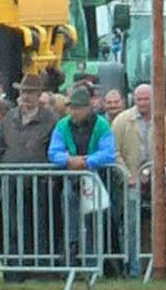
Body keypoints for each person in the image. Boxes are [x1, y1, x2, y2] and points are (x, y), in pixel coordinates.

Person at [112, 83, 166, 276]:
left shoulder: (165, 122)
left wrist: (149, 173)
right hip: (129, 182)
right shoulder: (122, 121)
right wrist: (126, 175)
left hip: (158, 181)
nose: (142, 103)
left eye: (146, 99)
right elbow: (114, 152)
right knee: (131, 225)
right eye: (139, 99)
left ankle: (162, 266)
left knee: (161, 224)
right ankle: (133, 267)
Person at [0, 73, 59, 279]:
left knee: (39, 226)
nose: (26, 96)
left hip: (40, 182)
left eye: (31, 93)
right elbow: (0, 147)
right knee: (13, 225)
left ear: (39, 94)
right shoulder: (9, 118)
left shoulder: (51, 119)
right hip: (11, 180)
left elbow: (55, 149)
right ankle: (14, 270)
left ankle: (40, 270)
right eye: (24, 92)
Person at [49, 87, 117, 268]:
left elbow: (109, 153)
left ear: (88, 108)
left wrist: (86, 161)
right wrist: (69, 160)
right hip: (72, 180)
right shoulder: (62, 125)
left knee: (95, 220)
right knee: (70, 218)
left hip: (97, 179)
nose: (73, 111)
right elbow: (53, 152)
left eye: (77, 108)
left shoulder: (101, 124)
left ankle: (95, 262)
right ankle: (71, 258)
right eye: (72, 107)